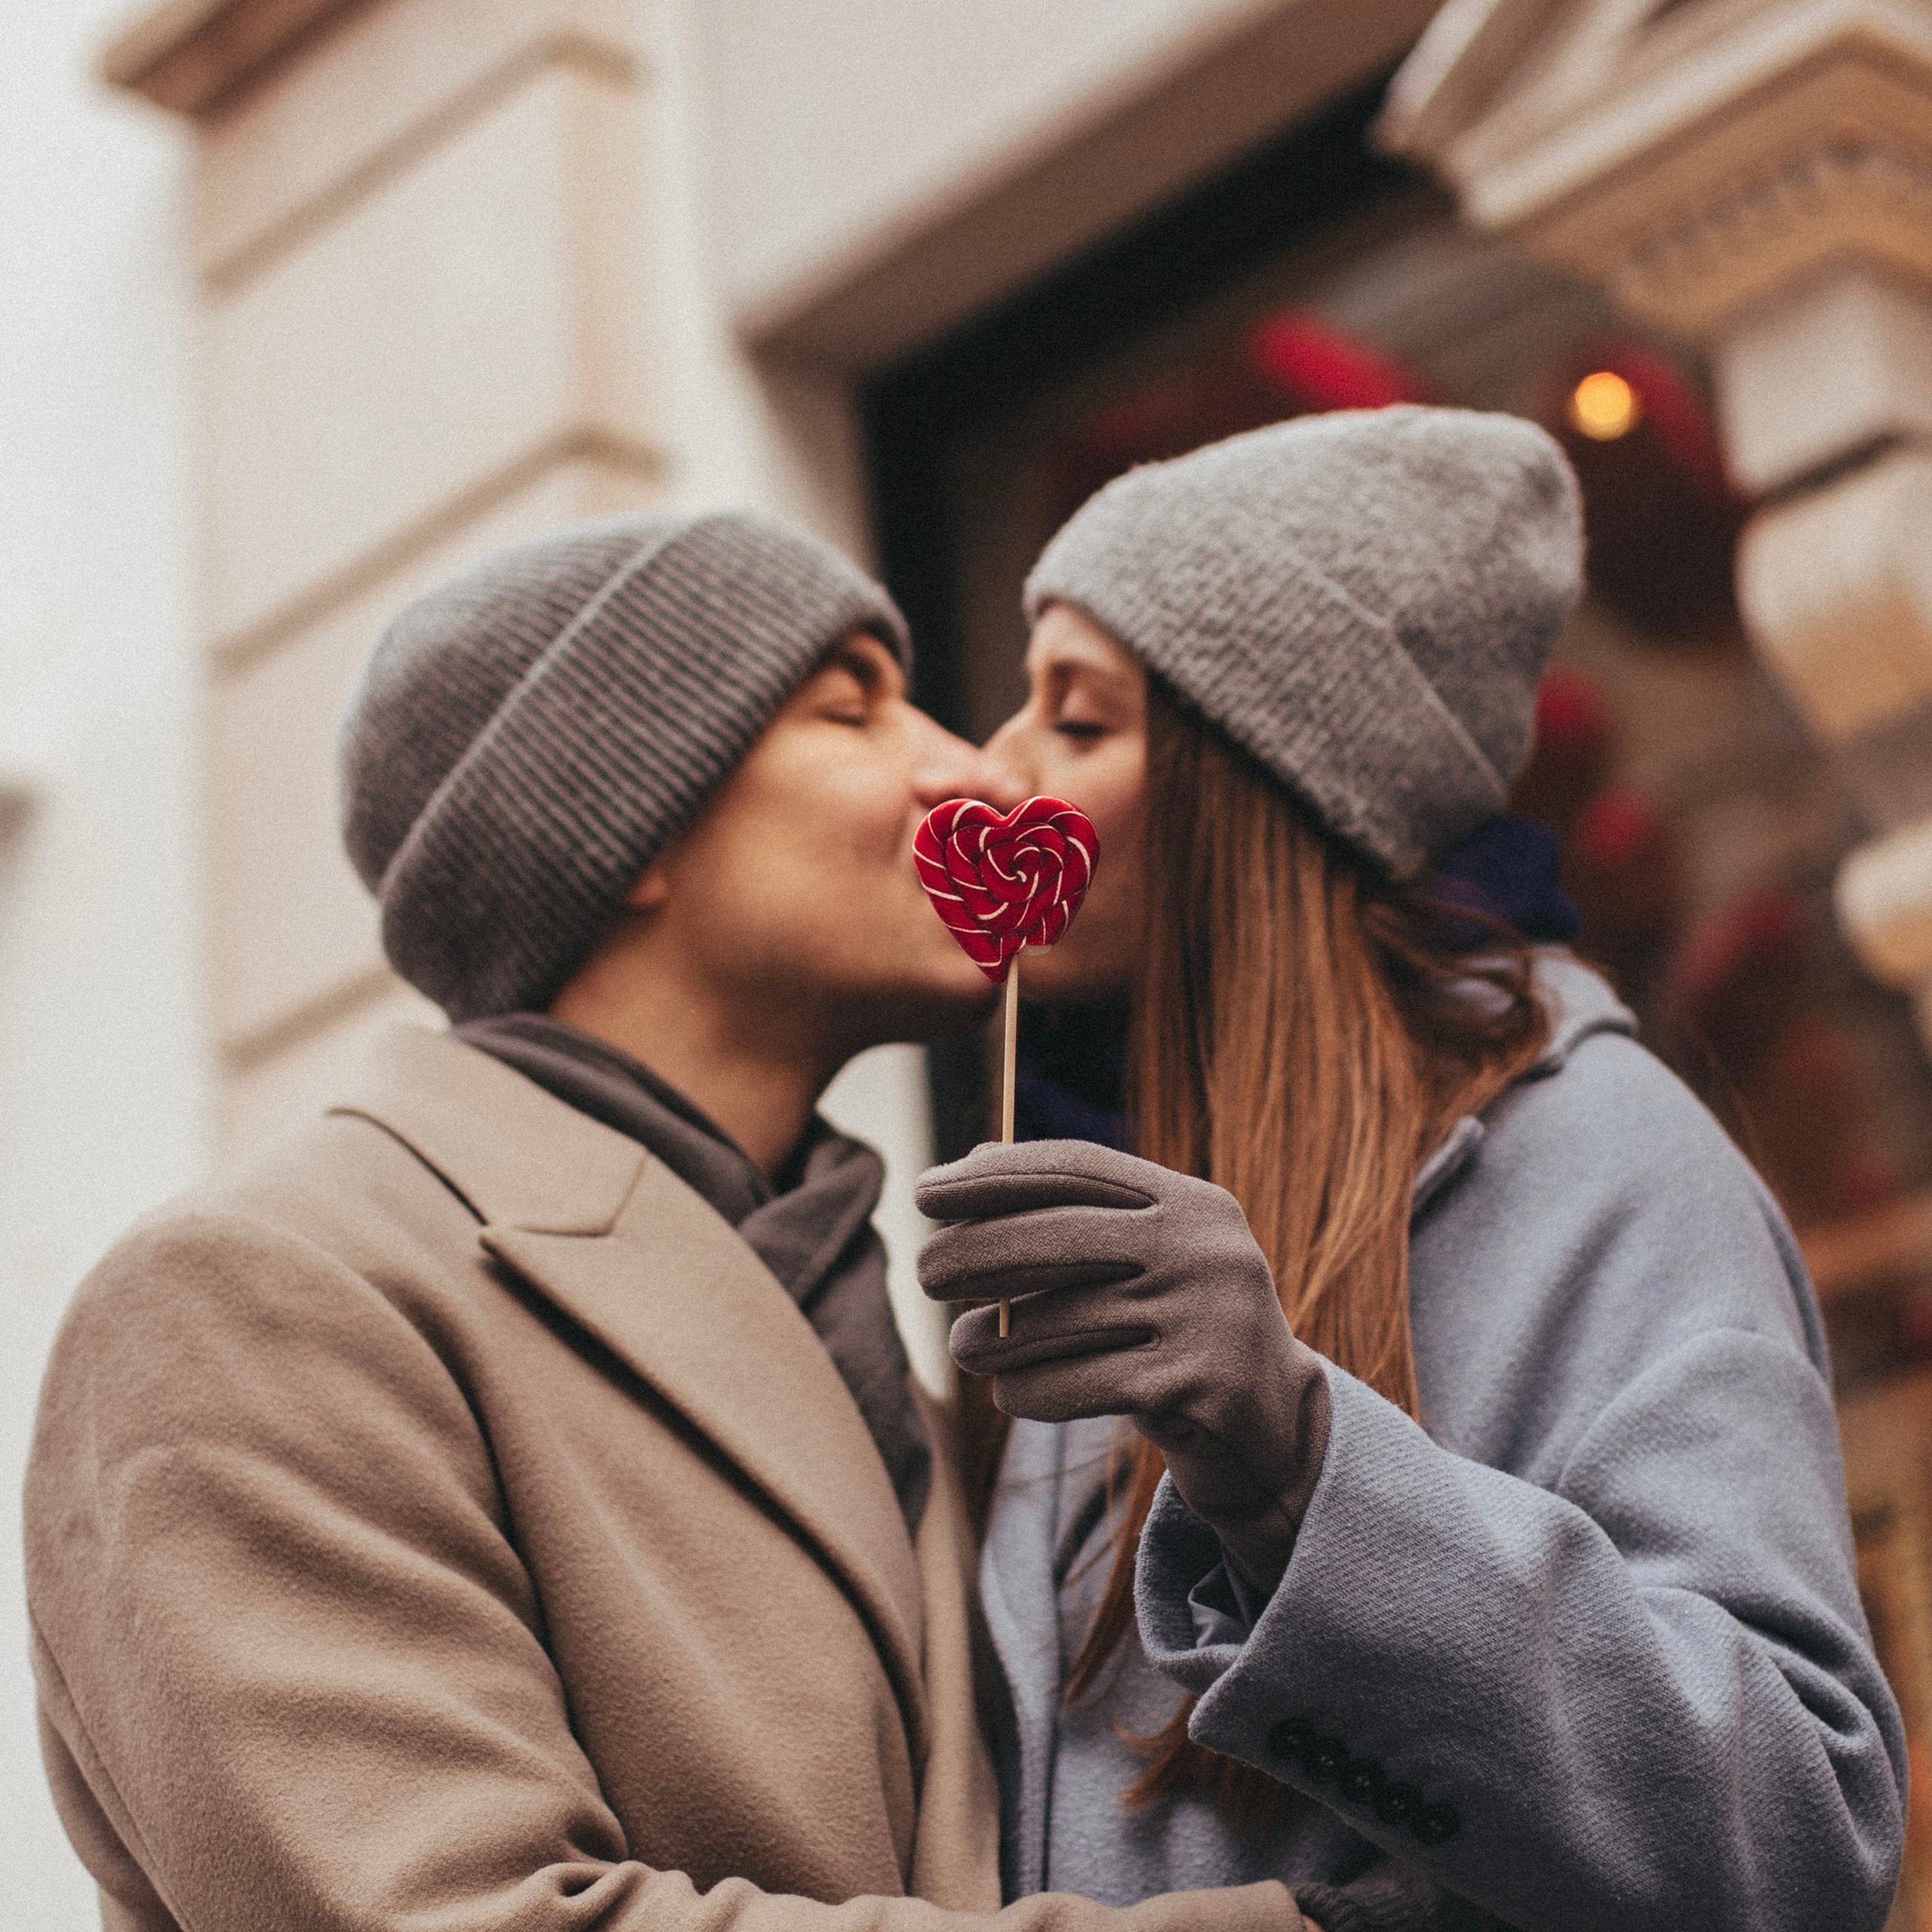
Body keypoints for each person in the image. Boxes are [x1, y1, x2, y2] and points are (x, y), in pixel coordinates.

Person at [25, 510, 1309, 1932]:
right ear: (617, 822)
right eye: (852, 709)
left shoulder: (883, 1319)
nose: (975, 765)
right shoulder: (254, 1293)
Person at [915, 409, 1908, 1932]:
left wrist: (1297, 1462)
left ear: (1256, 784)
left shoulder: (1600, 1157)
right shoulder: (1119, 1209)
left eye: (1080, 715)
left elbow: (1795, 1841)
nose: (994, 762)